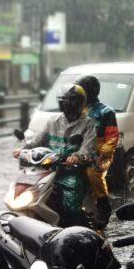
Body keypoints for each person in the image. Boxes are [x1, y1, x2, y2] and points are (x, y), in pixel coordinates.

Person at [12, 84, 96, 227]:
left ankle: (79, 228)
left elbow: (88, 148)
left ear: (79, 102)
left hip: (71, 172)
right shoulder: (52, 122)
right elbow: (37, 142)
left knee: (70, 205)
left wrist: (77, 156)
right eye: (64, 101)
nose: (66, 104)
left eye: (70, 101)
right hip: (47, 169)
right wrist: (22, 149)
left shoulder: (88, 124)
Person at [75, 75, 119, 229]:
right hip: (82, 150)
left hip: (101, 153)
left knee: (92, 173)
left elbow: (112, 137)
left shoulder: (107, 112)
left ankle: (103, 205)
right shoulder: (78, 110)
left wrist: (103, 153)